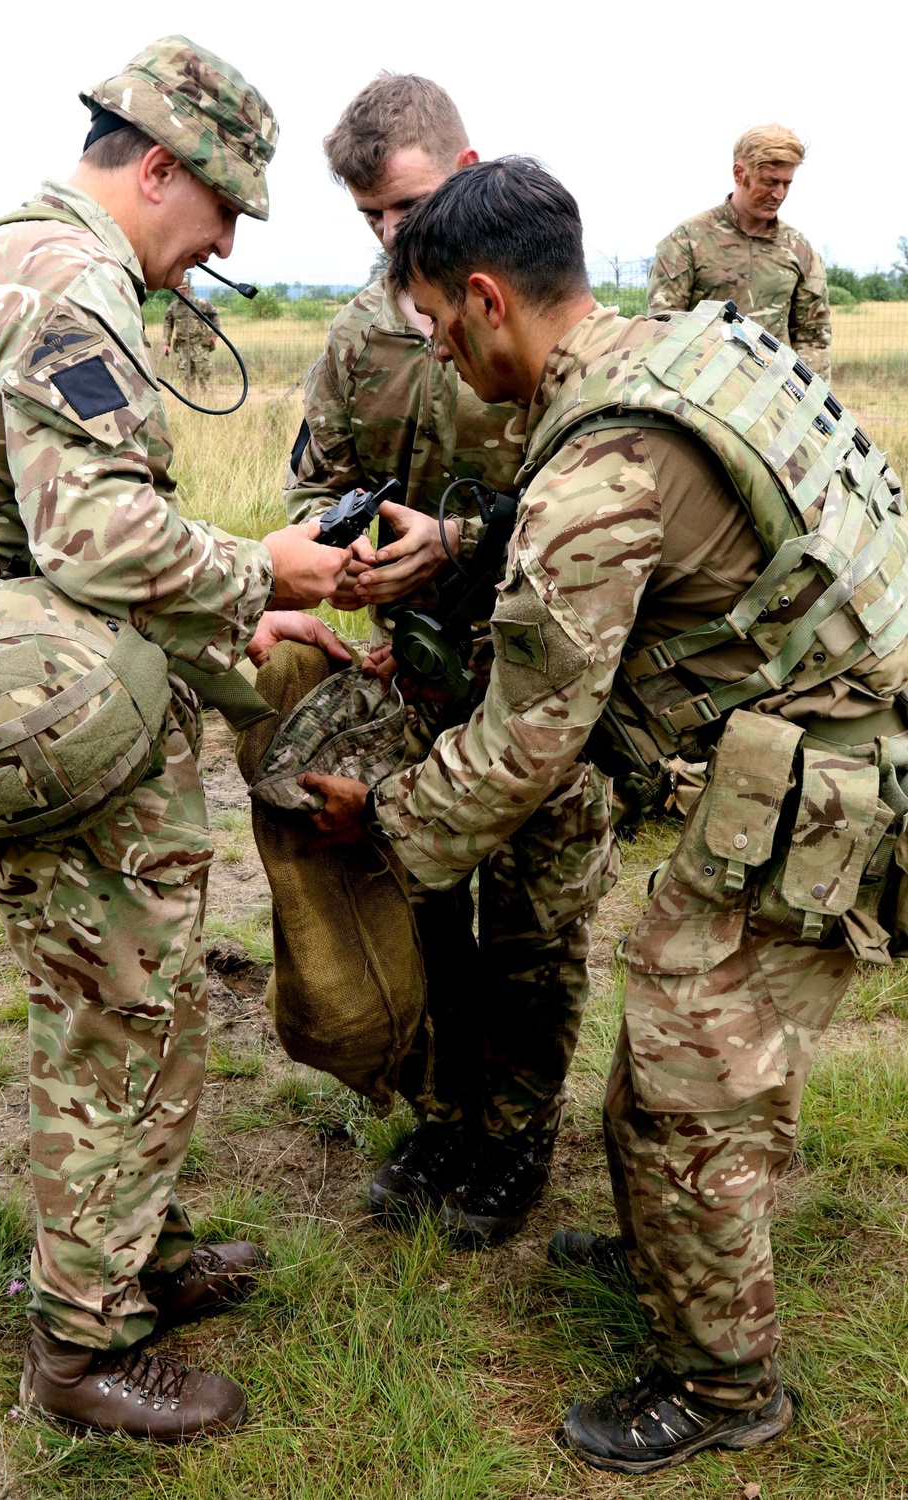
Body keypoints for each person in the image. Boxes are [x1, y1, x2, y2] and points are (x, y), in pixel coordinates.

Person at [302, 157, 908, 1472]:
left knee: (689, 1092)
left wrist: (386, 826)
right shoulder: (677, 348)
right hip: (833, 735)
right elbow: (641, 534)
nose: (445, 359)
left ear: (483, 300)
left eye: (440, 330)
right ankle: (668, 1250)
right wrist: (459, 547)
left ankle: (723, 1384)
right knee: (668, 1064)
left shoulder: (599, 468)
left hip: (829, 786)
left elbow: (526, 743)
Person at [0, 35, 351, 1441]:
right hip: (56, 715)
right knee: (115, 1017)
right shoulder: (71, 279)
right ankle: (83, 1347)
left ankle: (129, 1251)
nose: (215, 252)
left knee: (144, 1005)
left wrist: (242, 643)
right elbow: (91, 532)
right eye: (219, 216)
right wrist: (264, 575)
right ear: (156, 168)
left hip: (67, 690)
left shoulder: (28, 257)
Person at [285, 74, 618, 1245]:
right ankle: (440, 1112)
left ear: (468, 167)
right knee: (418, 906)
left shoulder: (539, 319)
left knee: (533, 927)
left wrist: (454, 545)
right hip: (414, 681)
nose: (393, 238)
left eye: (409, 207)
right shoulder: (357, 337)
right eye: (371, 219)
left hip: (538, 681)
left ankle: (516, 1133)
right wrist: (345, 553)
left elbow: (590, 510)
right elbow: (312, 480)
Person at [648, 124, 831, 380]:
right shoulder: (687, 240)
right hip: (700, 396)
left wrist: (812, 405)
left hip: (776, 399)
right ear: (739, 173)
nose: (779, 194)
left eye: (786, 183)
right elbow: (663, 330)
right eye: (770, 182)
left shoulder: (799, 249)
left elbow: (813, 337)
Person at [162, 272, 220, 388]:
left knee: (205, 375)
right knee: (186, 377)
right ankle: (190, 402)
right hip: (183, 346)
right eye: (178, 289)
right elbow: (168, 324)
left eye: (182, 289)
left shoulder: (200, 303)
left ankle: (207, 402)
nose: (180, 292)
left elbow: (214, 315)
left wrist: (214, 335)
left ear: (188, 289)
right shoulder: (173, 307)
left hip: (199, 345)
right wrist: (166, 343)